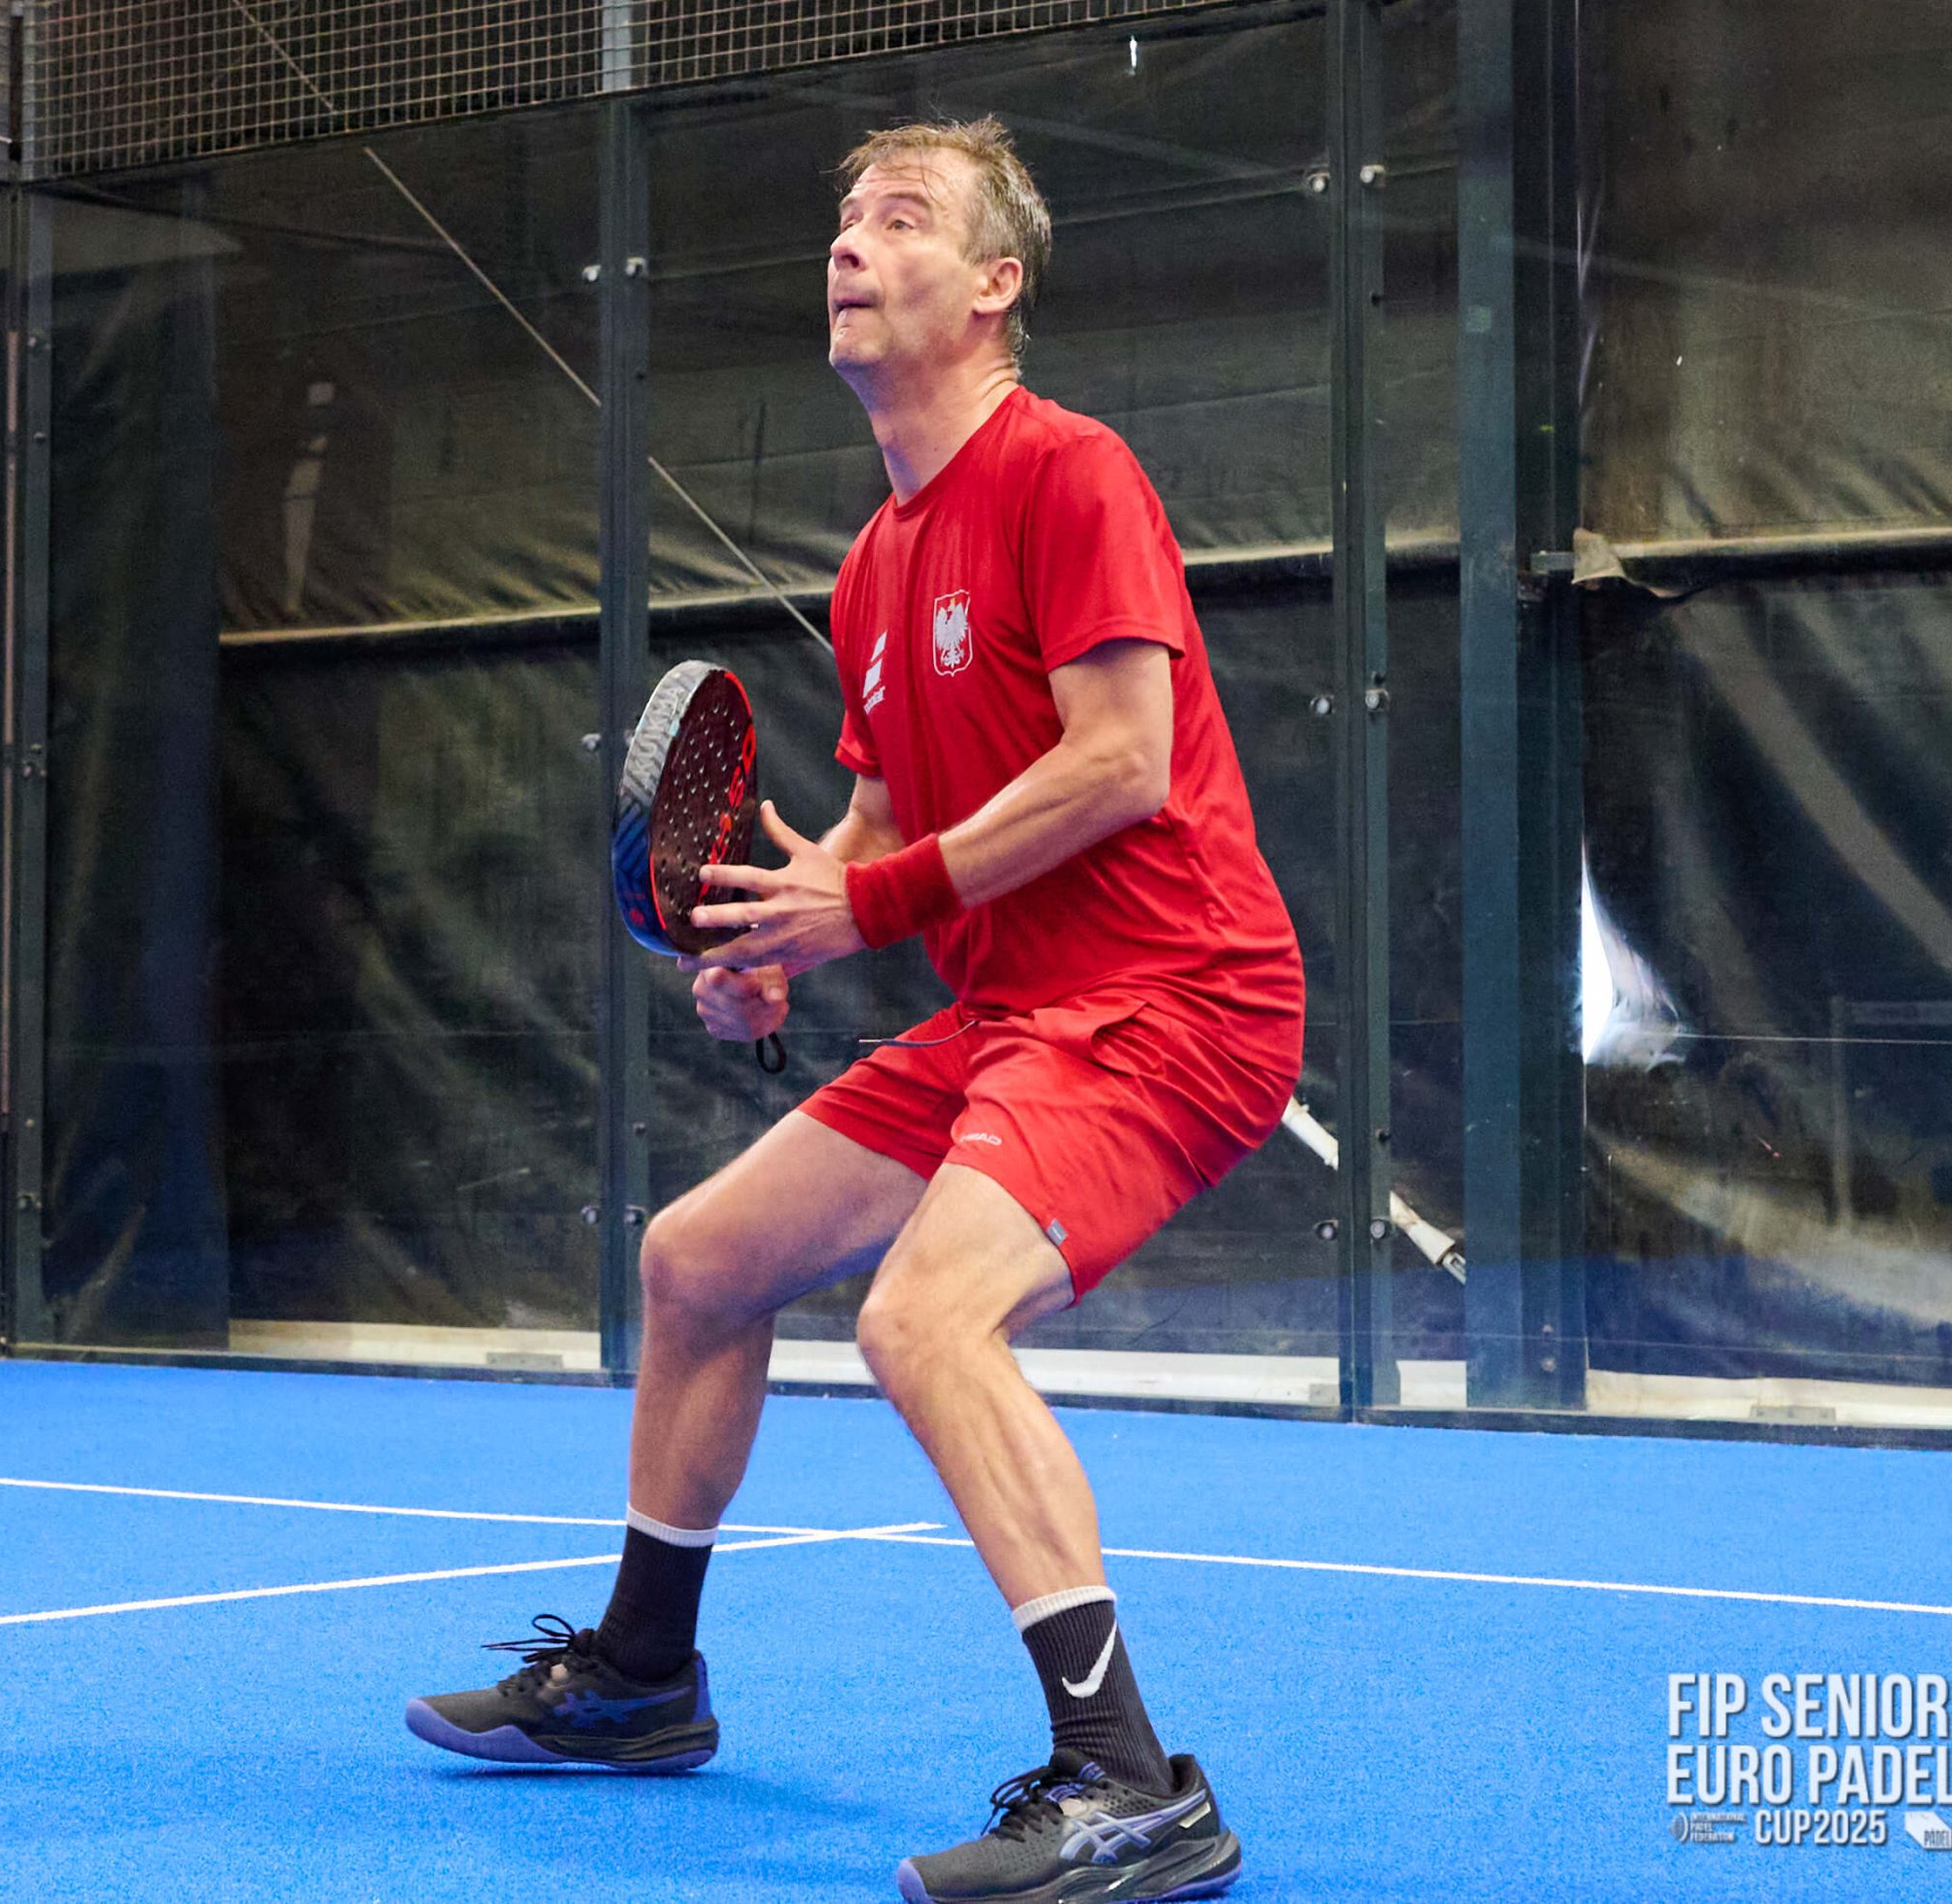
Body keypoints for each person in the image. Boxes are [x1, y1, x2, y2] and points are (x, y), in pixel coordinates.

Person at [406, 115, 1303, 1904]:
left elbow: (1121, 762)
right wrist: (781, 940)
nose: (849, 245)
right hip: (1010, 1009)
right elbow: (884, 839)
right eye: (843, 221)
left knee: (925, 1317)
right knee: (695, 1259)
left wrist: (867, 902)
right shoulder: (879, 565)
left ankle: (1130, 1784)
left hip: (1176, 996)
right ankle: (642, 1676)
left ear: (994, 285)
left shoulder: (1071, 473)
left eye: (901, 220)